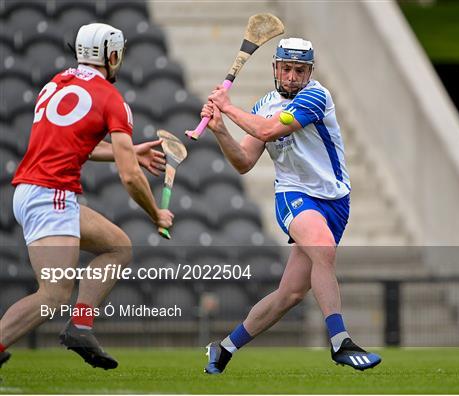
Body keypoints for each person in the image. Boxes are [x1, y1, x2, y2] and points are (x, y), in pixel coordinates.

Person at [201, 37, 382, 373]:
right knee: (322, 247)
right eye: (286, 69)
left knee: (290, 295)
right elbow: (243, 161)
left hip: (334, 201)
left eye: (300, 70)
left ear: (309, 72)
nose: (292, 76)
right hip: (293, 195)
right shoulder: (261, 106)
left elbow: (269, 130)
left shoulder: (316, 96)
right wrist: (221, 131)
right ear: (275, 69)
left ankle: (223, 347)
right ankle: (340, 340)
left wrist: (226, 108)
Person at [0, 23, 173, 370]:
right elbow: (129, 177)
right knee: (53, 295)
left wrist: (132, 150)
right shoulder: (112, 99)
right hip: (52, 194)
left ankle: (81, 326)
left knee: (118, 246)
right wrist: (156, 213)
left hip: (35, 191)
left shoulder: (57, 82)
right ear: (111, 55)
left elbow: (82, 142)